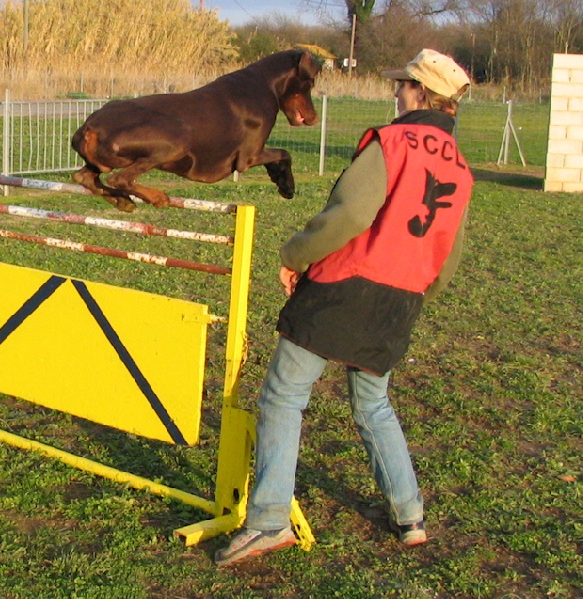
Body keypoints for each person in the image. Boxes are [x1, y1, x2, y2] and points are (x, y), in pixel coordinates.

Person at [215, 49, 474, 567]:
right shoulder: (462, 166)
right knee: (373, 403)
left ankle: (267, 522)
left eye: (402, 85)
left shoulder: (393, 140)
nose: (396, 93)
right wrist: (415, 294)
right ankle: (410, 516)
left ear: (420, 93)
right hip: (403, 298)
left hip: (347, 286)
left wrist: (296, 255)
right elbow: (451, 251)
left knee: (284, 394)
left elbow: (352, 212)